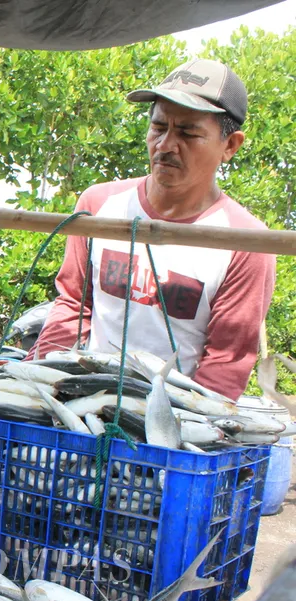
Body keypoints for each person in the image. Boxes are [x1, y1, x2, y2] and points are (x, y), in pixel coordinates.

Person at [29, 59, 275, 401]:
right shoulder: (100, 206)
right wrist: (38, 383)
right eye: (159, 127)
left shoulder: (245, 242)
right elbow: (73, 304)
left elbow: (225, 363)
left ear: (230, 145)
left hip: (170, 412)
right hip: (88, 398)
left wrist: (175, 435)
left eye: (188, 133)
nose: (165, 145)